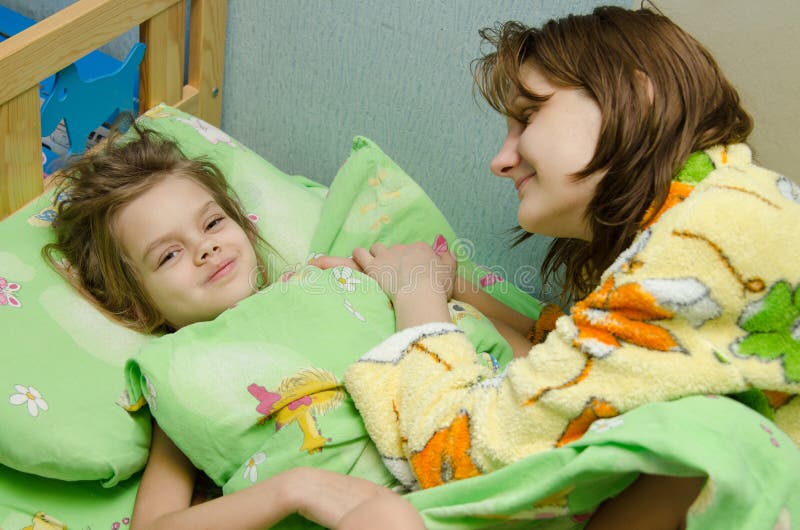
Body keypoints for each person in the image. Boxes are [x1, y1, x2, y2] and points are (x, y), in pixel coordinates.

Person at [320, 5, 800, 529]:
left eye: (528, 117)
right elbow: (592, 363)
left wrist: (419, 304)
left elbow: (467, 458)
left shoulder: (713, 233)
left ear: (637, 96)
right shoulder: (722, 208)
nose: (500, 161)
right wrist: (456, 288)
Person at [43, 122, 426, 530]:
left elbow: (457, 314)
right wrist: (292, 489)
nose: (205, 248)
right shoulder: (183, 372)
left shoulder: (324, 278)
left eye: (212, 224)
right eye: (168, 255)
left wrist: (424, 285)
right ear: (136, 306)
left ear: (244, 224)